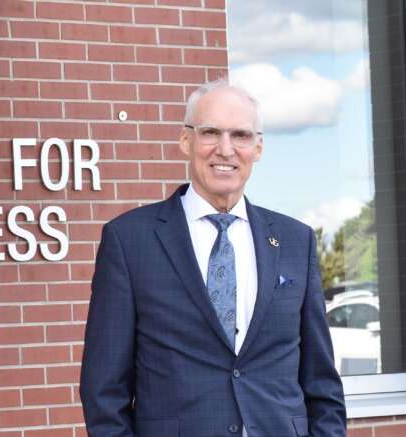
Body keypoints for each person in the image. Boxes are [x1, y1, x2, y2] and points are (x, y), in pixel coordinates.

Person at [79, 79, 346, 436]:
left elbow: (322, 380)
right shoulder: (129, 241)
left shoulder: (297, 241)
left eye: (240, 135)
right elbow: (103, 390)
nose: (225, 149)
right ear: (185, 140)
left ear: (258, 148)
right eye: (210, 133)